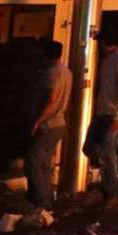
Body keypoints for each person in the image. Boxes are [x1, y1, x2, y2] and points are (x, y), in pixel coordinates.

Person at [22, 38, 70, 210]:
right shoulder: (66, 71)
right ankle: (46, 200)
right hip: (58, 124)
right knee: (44, 164)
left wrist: (38, 120)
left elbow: (52, 98)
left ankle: (40, 203)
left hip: (48, 125)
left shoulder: (51, 73)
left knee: (33, 163)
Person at [86, 32, 118, 200]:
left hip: (113, 112)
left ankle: (111, 192)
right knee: (90, 147)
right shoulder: (107, 59)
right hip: (103, 110)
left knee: (107, 152)